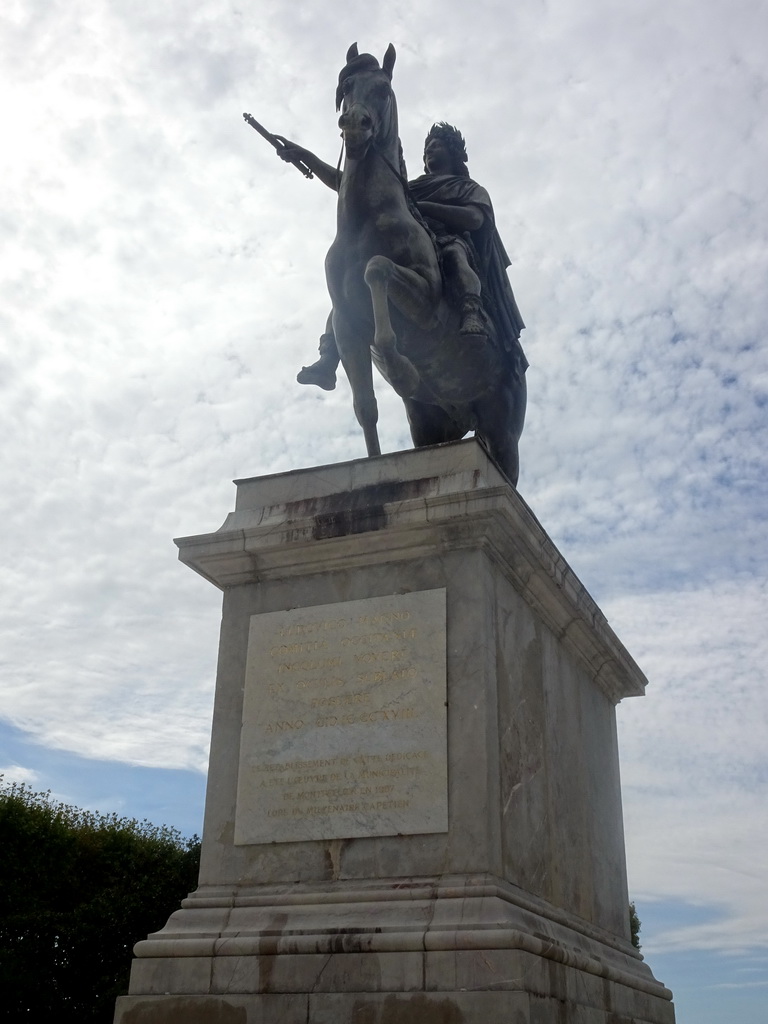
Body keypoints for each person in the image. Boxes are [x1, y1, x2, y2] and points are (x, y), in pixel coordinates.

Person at [277, 123, 526, 391]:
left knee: (455, 256)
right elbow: (346, 184)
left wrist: (425, 207)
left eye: (437, 146)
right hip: (411, 251)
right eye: (428, 147)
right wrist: (305, 157)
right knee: (348, 289)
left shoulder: (467, 187)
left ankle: (471, 311)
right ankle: (328, 359)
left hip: (445, 241)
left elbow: (475, 219)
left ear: (454, 153)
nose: (430, 151)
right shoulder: (410, 187)